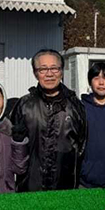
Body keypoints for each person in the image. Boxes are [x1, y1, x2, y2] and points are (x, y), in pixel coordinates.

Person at [11, 48, 86, 192]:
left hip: (65, 187)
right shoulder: (24, 105)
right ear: (35, 73)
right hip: (30, 187)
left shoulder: (75, 105)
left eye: (54, 68)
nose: (49, 74)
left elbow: (82, 146)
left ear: (62, 71)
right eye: (43, 69)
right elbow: (15, 148)